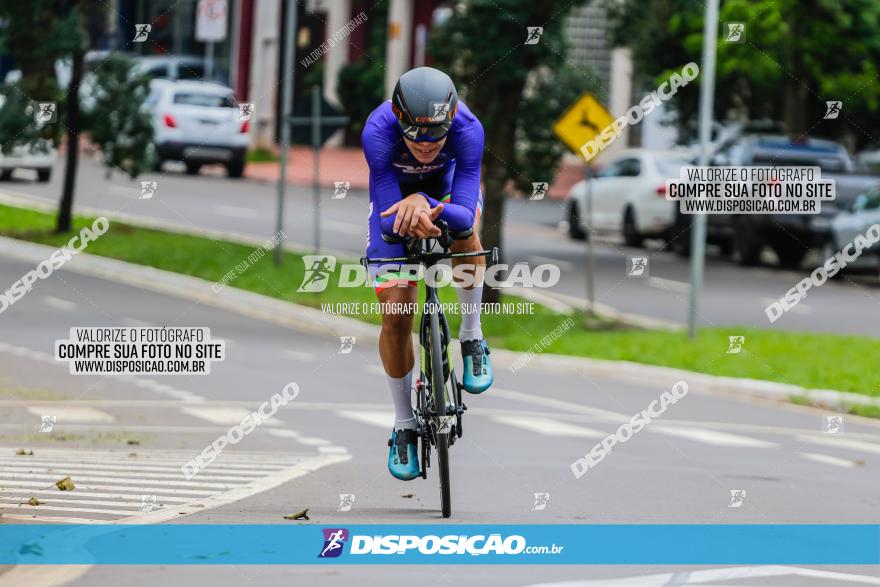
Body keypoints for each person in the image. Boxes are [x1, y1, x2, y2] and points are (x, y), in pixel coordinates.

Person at [362, 67, 493, 481]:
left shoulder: (469, 130)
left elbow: (465, 214)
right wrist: (413, 200)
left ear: (451, 122)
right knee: (397, 314)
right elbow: (387, 222)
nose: (426, 145)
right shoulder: (377, 131)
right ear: (398, 120)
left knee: (467, 237)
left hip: (450, 192)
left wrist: (426, 202)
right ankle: (403, 424)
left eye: (437, 135)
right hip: (395, 202)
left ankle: (471, 336)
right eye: (416, 135)